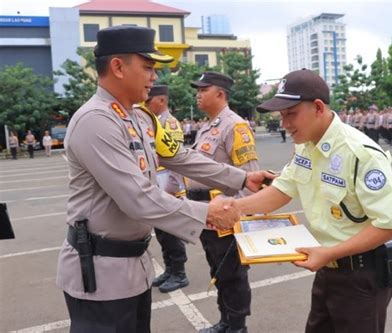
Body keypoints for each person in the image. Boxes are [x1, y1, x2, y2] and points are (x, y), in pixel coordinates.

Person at [56, 26, 272, 333]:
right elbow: (138, 198)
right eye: (148, 68)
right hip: (100, 275)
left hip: (133, 268)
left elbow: (179, 157)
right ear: (118, 67)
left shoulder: (140, 118)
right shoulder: (95, 121)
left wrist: (242, 177)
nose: (154, 77)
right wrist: (206, 213)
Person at [232, 69, 392, 333]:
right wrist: (234, 208)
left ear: (317, 107)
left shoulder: (360, 153)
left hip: (361, 275)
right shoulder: (306, 145)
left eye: (290, 114)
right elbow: (283, 188)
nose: (284, 124)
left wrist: (329, 253)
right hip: (327, 269)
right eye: (281, 116)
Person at [189, 72, 260, 333]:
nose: (198, 93)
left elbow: (250, 175)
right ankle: (226, 321)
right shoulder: (208, 126)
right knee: (218, 270)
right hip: (207, 213)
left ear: (220, 93)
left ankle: (237, 326)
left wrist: (240, 219)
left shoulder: (235, 126)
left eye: (203, 89)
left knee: (233, 273)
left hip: (226, 214)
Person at [141, 84, 190, 293]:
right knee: (161, 233)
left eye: (148, 101)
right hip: (157, 187)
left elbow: (175, 161)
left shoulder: (168, 124)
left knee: (172, 233)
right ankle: (170, 269)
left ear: (160, 100)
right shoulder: (154, 123)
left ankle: (179, 273)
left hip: (169, 187)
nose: (145, 105)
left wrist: (171, 191)